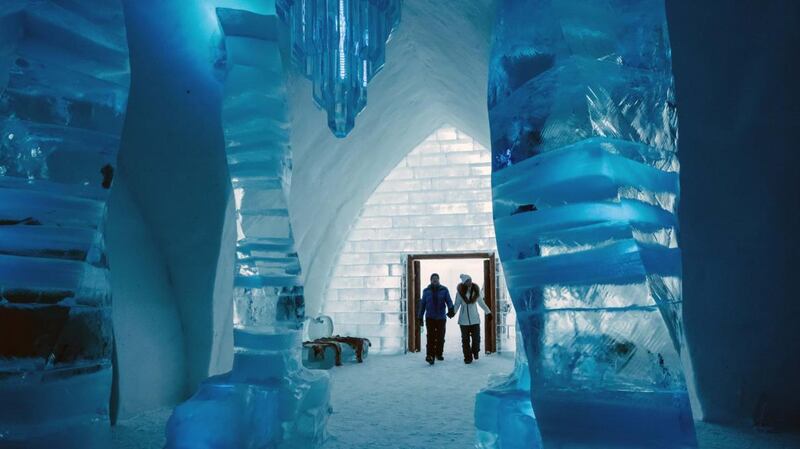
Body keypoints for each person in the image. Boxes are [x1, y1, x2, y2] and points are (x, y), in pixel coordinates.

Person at [453, 274, 492, 364]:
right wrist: (452, 313)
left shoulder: (475, 291)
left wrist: (488, 312)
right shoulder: (460, 293)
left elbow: (482, 303)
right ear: (464, 283)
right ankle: (468, 357)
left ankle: (475, 351)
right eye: (467, 281)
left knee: (476, 338)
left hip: (475, 320)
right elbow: (457, 304)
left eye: (470, 280)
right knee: (465, 340)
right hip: (463, 321)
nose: (469, 282)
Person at [417, 273, 455, 365]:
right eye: (433, 278)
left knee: (440, 337)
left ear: (439, 280)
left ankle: (439, 353)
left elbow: (449, 301)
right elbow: (422, 305)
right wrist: (420, 317)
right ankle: (430, 355)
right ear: (431, 280)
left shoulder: (444, 290)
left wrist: (451, 309)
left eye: (436, 278)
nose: (435, 280)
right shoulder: (426, 291)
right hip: (430, 317)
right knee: (430, 336)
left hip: (441, 318)